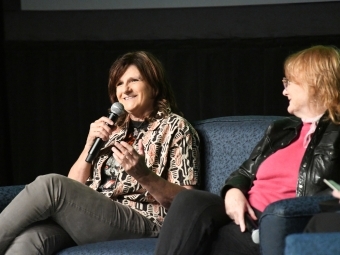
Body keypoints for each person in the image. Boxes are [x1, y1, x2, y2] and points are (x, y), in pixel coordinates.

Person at [0, 51, 200, 254]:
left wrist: (144, 175)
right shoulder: (114, 128)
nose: (126, 89)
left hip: (144, 221)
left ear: (155, 86)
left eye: (134, 80)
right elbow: (74, 186)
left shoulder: (176, 128)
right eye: (119, 83)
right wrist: (89, 145)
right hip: (95, 216)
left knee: (50, 184)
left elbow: (188, 203)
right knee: (30, 239)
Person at [154, 45, 340, 255]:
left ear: (314, 84)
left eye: (290, 83)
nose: (284, 91)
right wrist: (233, 191)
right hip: (239, 214)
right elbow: (243, 172)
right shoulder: (281, 130)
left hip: (272, 225)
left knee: (207, 241)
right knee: (189, 200)